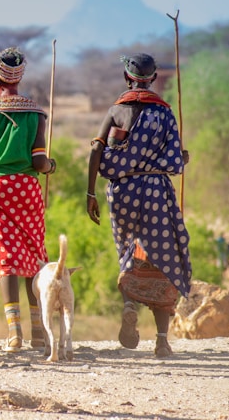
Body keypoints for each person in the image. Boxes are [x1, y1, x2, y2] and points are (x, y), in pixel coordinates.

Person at [85, 53, 190, 358]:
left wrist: (90, 193)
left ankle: (130, 304)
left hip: (123, 192)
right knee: (161, 258)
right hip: (157, 190)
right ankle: (161, 340)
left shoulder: (117, 111)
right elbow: (173, 161)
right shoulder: (165, 113)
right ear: (154, 78)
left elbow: (96, 150)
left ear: (126, 78)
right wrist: (181, 158)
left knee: (129, 252)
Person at [0, 47, 56, 352]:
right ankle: (39, 334)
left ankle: (14, 333)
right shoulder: (35, 113)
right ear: (19, 78)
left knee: (6, 258)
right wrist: (51, 166)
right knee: (34, 256)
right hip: (28, 190)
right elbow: (41, 163)